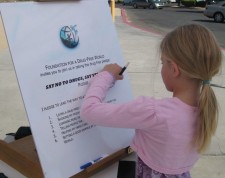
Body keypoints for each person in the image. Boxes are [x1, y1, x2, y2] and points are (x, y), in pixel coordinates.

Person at [80, 24, 223, 178]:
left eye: (163, 63)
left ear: (174, 69)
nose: (161, 67)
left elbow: (88, 111)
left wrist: (106, 75)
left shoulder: (154, 112)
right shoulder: (206, 110)